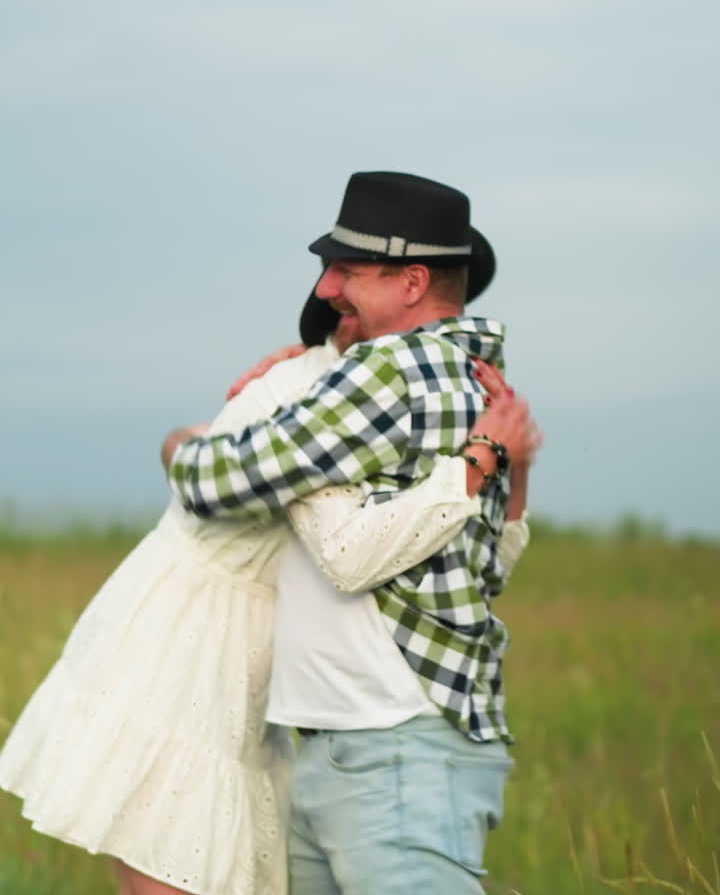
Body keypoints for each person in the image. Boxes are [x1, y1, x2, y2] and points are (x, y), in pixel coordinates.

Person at [0, 248, 528, 895]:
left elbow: (475, 563)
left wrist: (506, 462)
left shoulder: (392, 399)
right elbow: (338, 543)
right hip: (188, 649)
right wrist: (482, 457)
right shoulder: (317, 397)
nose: (331, 290)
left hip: (261, 680)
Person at [167, 170, 542, 894]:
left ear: (411, 282)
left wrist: (184, 442)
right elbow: (481, 574)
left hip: (388, 747)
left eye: (347, 268)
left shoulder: (390, 371)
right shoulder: (473, 376)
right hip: (380, 741)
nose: (326, 288)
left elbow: (217, 482)